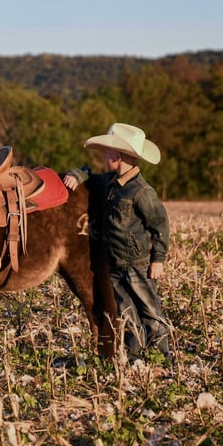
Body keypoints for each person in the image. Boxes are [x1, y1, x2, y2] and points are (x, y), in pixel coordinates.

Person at [63, 123, 173, 364]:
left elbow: (160, 225)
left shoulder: (142, 191)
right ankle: (134, 356)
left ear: (117, 156)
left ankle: (162, 357)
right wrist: (76, 174)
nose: (104, 158)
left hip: (137, 263)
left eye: (107, 154)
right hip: (115, 262)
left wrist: (158, 260)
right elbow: (88, 174)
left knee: (149, 311)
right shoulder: (109, 183)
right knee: (126, 311)